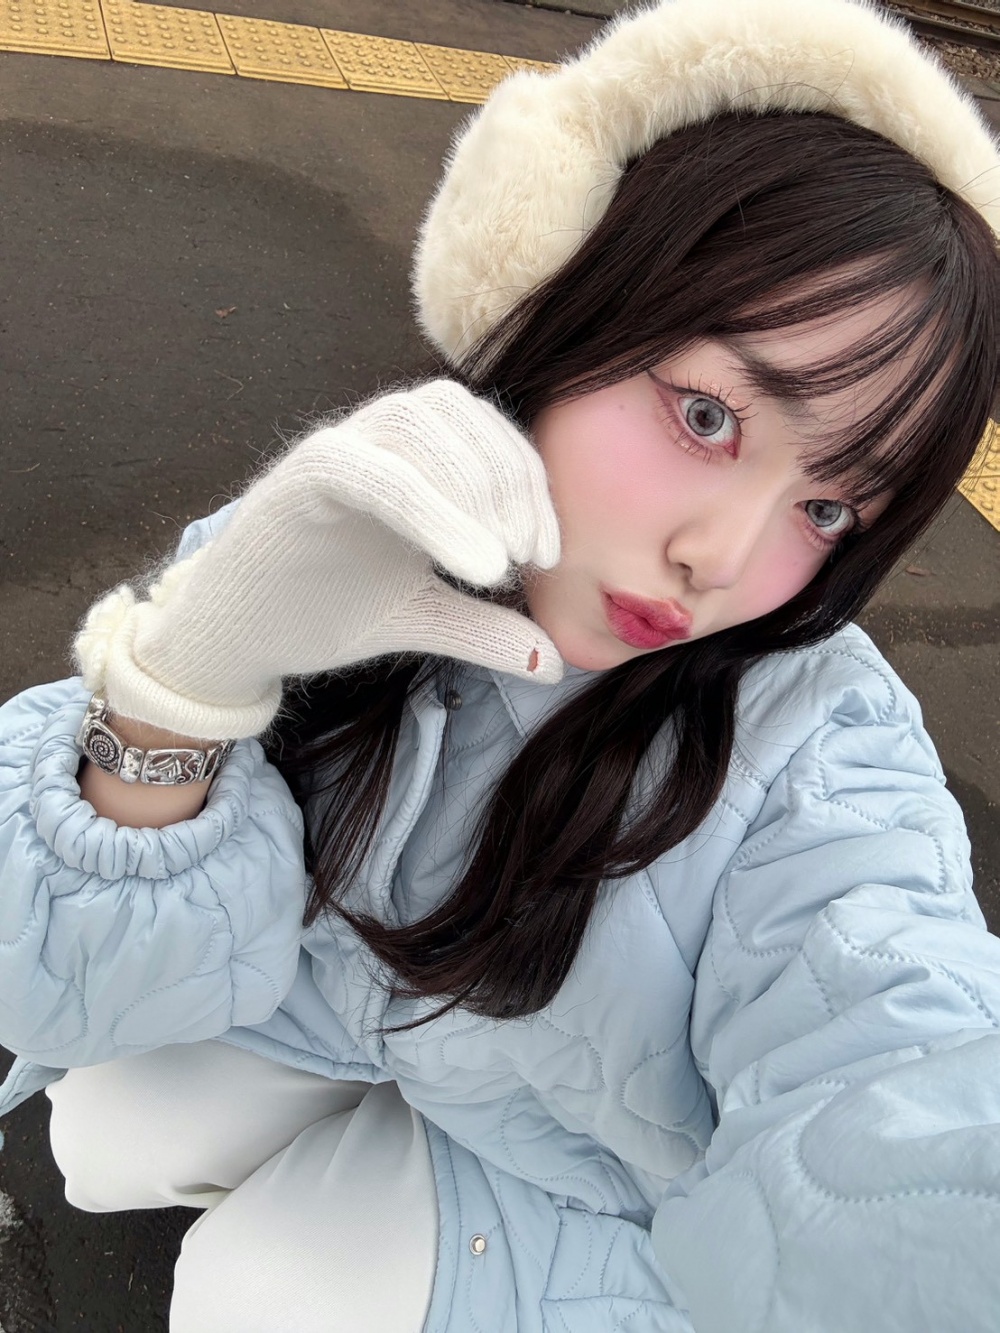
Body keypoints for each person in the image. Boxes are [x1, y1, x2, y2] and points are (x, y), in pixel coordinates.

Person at [1, 0, 999, 1328]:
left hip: (574, 1169)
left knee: (262, 1295)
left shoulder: (817, 751)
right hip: (335, 1028)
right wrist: (180, 688)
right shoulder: (355, 521)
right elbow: (43, 967)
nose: (720, 558)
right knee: (105, 1124)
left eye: (829, 507)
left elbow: (899, 1049)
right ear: (559, 294)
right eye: (709, 415)